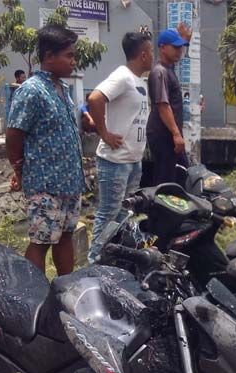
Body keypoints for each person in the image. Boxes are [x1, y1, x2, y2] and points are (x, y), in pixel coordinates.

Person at [5, 24, 84, 275]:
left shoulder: (63, 90)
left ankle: (65, 292)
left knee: (65, 237)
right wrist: (18, 168)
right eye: (69, 55)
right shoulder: (32, 91)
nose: (74, 61)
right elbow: (14, 133)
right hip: (45, 183)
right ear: (49, 56)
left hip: (69, 182)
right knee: (40, 242)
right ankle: (33, 301)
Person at [86, 31, 153, 263]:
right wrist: (103, 132)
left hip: (133, 161)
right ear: (143, 54)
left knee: (125, 214)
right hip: (115, 162)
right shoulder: (122, 76)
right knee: (108, 214)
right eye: (151, 52)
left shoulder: (138, 80)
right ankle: (94, 261)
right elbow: (95, 98)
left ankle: (113, 257)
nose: (152, 56)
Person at [145, 24, 192, 185]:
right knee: (166, 180)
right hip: (163, 134)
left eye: (181, 47)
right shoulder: (160, 72)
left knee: (181, 174)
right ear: (163, 47)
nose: (179, 51)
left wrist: (186, 40)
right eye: (175, 47)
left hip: (170, 134)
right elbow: (163, 105)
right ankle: (160, 210)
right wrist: (176, 134)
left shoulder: (169, 69)